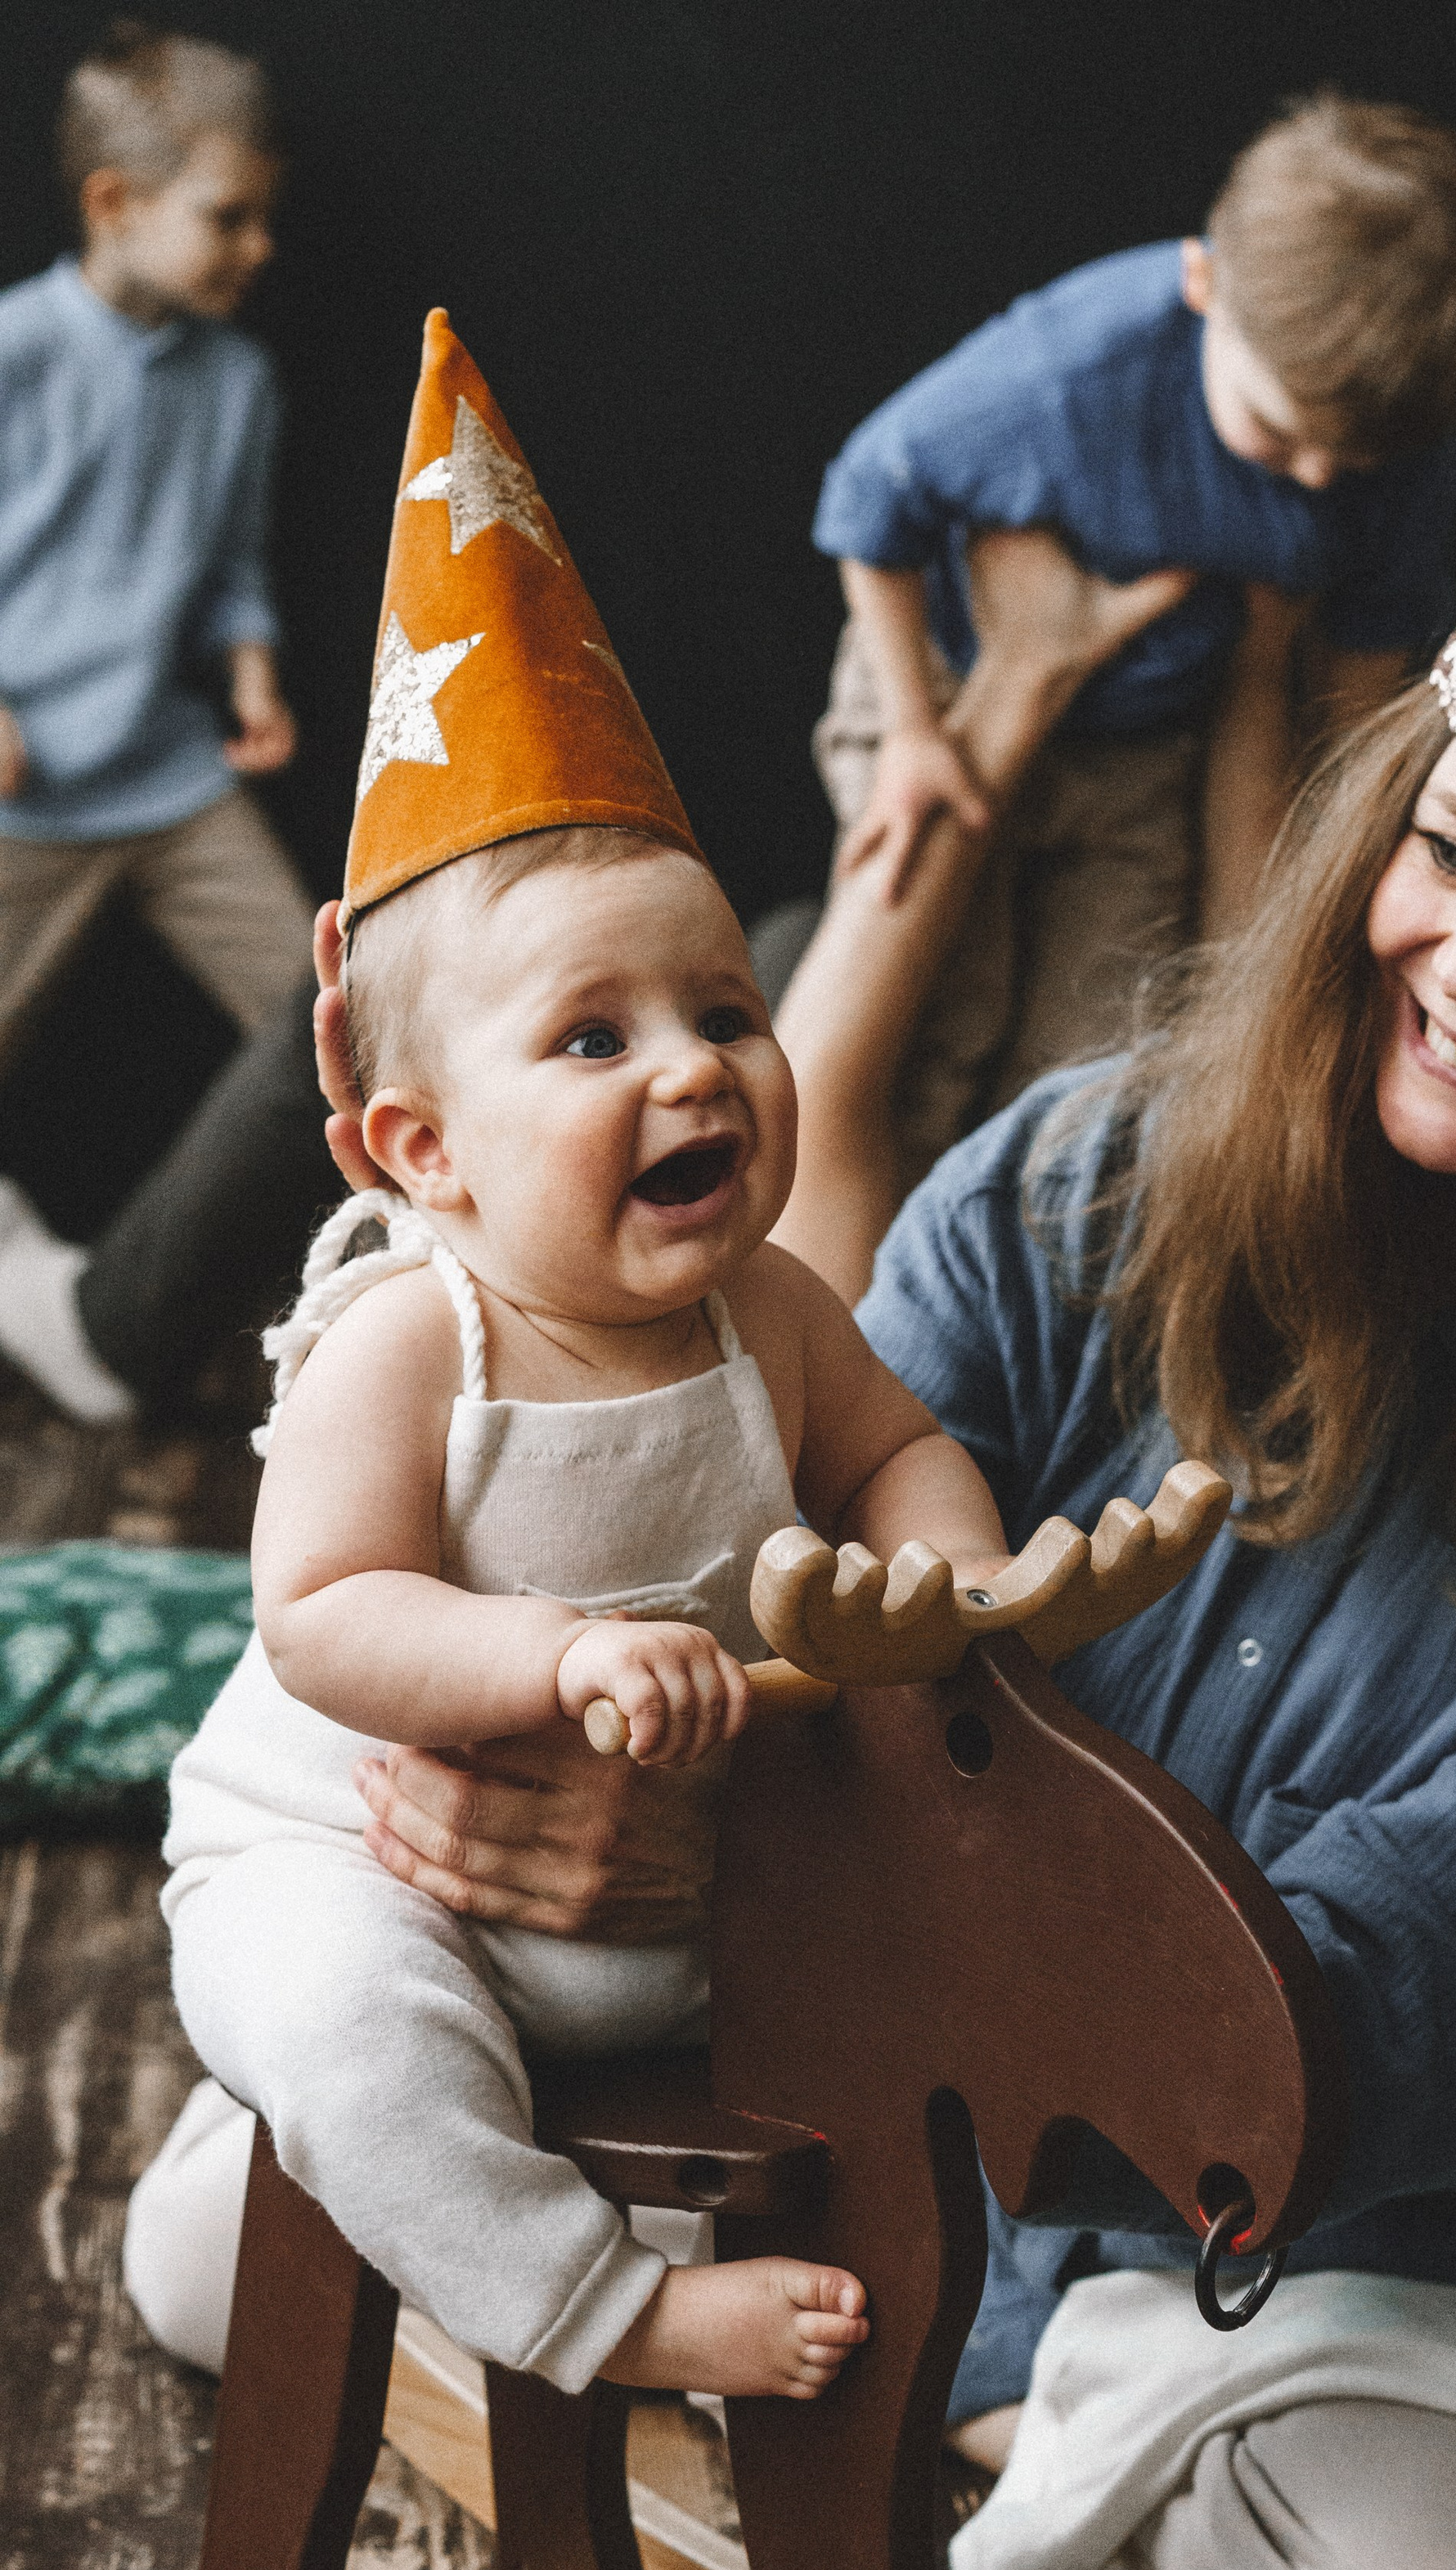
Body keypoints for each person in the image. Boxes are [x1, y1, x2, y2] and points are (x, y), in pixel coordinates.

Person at [236, 447, 1456, 2570]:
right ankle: (885, 2417)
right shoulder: (1090, 1175)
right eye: (1453, 854)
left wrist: (739, 1871)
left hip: (1419, 2235)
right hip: (892, 2111)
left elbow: (1415, 2001)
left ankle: (866, 2425)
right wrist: (581, 1785)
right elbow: (779, 1589)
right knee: (230, 2200)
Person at [126, 313, 1041, 2402]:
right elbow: (331, 1614)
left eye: (722, 1007)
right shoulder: (408, 1336)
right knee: (363, 2034)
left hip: (655, 1892)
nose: (696, 1066)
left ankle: (521, 2206)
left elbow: (895, 1447)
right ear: (421, 1151)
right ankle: (598, 2311)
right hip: (367, 1864)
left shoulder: (770, 1315)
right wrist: (546, 1657)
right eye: (594, 1038)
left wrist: (942, 1577)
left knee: (872, 1962)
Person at [802, 92, 1456, 1206]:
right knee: (951, 1012)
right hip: (955, 689)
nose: (1319, 482)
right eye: (1279, 437)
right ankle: (881, 1280)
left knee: (1105, 1043)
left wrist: (1344, 835)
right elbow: (866, 501)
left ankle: (1014, 1272)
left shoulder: (1390, 436)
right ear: (1202, 287)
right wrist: (908, 730)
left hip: (1156, 743)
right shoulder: (1068, 374)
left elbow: (1371, 655)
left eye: (1352, 461)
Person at [0, 25, 319, 1425]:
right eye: (226, 217)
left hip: (176, 779)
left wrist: (251, 674)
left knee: (342, 1024)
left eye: (265, 219)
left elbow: (234, 563)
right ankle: (29, 1290)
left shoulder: (238, 383)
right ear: (114, 203)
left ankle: (364, 1313)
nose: (254, 248)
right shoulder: (15, 353)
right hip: (25, 793)